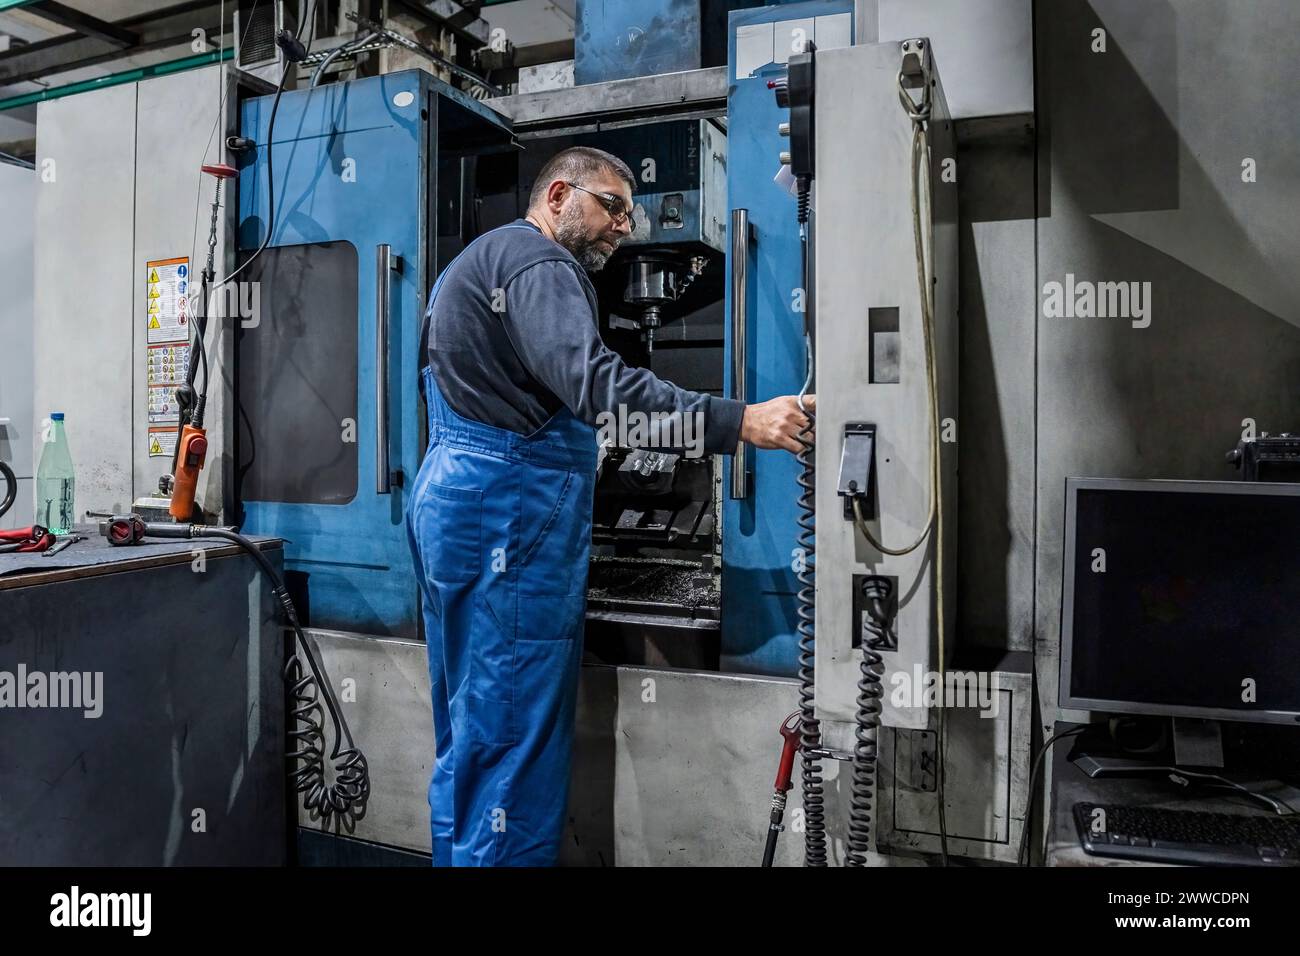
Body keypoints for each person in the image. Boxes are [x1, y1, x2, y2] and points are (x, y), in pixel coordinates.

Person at [406, 146, 813, 865]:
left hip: (456, 501)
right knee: (511, 750)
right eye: (613, 205)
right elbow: (601, 390)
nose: (626, 225)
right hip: (506, 513)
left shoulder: (470, 265)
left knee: (472, 738)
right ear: (559, 194)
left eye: (631, 211)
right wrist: (741, 421)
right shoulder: (541, 264)